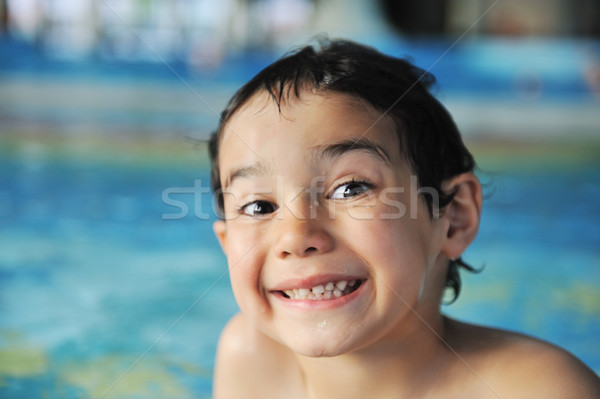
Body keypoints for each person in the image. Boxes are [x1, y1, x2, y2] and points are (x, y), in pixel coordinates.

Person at [208, 39, 600, 398]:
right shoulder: (251, 358)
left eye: (351, 188)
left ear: (454, 218)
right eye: (259, 207)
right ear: (227, 245)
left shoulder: (541, 390)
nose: (296, 236)